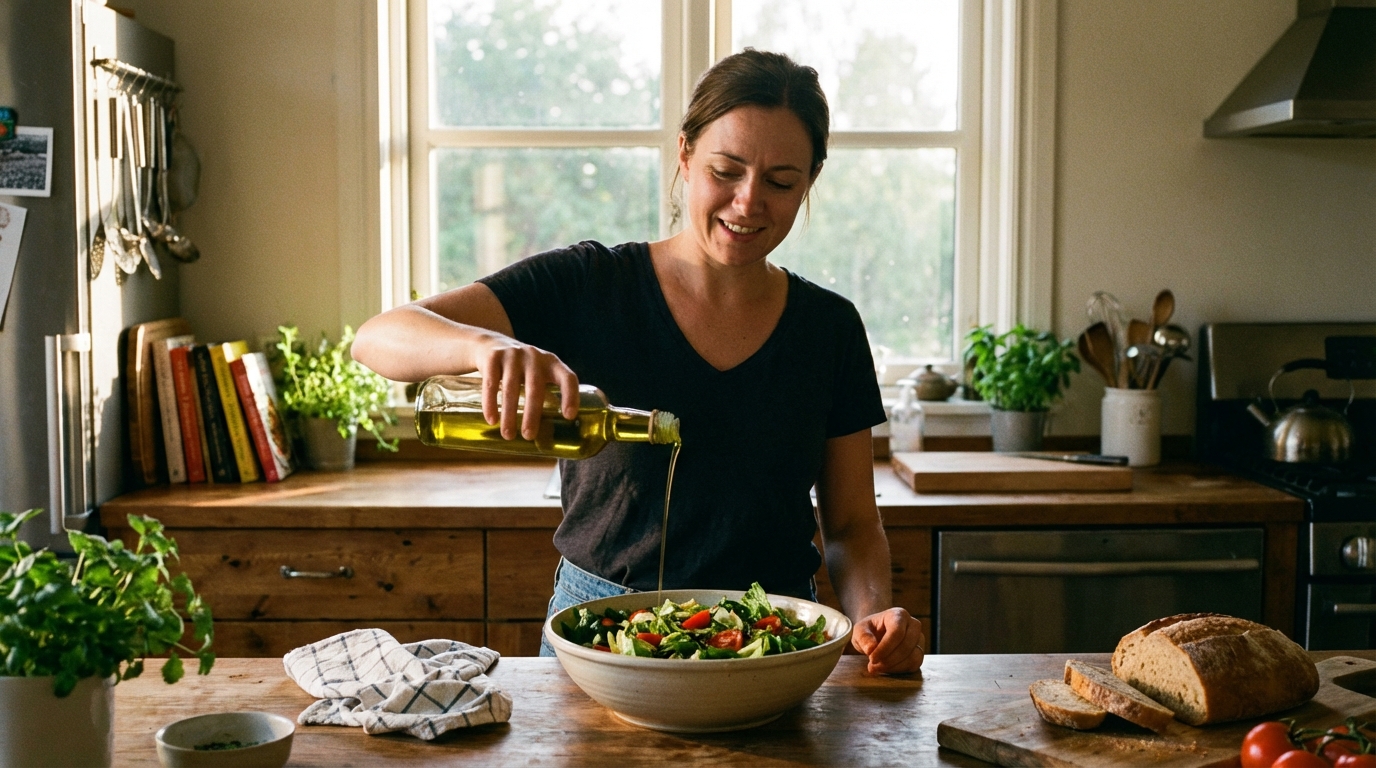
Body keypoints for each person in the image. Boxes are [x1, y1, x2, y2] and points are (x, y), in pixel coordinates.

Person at [352, 49, 925, 675]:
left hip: (774, 637)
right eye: (726, 170)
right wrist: (482, 346)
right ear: (684, 156)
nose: (748, 201)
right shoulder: (590, 284)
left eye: (781, 182)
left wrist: (874, 616)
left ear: (809, 182)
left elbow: (849, 524)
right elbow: (380, 337)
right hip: (600, 632)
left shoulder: (829, 327)